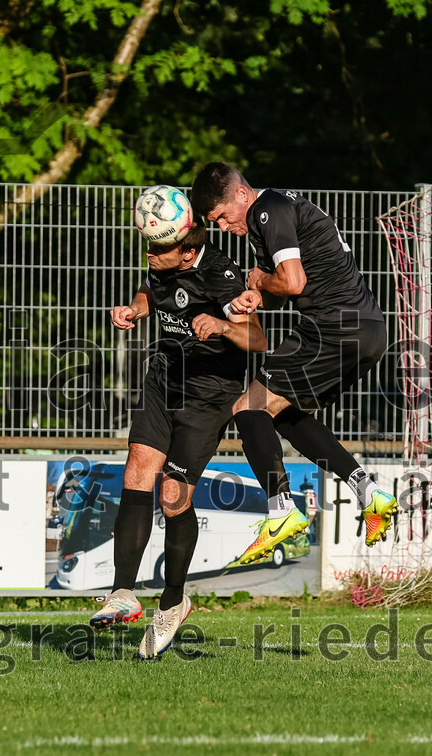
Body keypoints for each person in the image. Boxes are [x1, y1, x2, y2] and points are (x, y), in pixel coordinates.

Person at [191, 162, 397, 563]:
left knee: (247, 407)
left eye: (220, 217)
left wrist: (256, 280)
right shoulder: (270, 216)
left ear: (241, 195)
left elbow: (293, 282)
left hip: (333, 329)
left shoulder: (269, 210)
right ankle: (368, 492)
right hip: (367, 331)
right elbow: (284, 288)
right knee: (283, 413)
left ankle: (280, 510)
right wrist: (258, 297)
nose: (221, 227)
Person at [88, 219, 267, 659]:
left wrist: (223, 326)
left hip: (208, 396)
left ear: (187, 252)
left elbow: (257, 337)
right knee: (136, 471)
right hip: (163, 379)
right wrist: (134, 310)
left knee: (172, 495)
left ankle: (172, 603)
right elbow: (150, 292)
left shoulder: (221, 276)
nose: (149, 253)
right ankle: (123, 592)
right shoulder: (161, 263)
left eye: (158, 248)